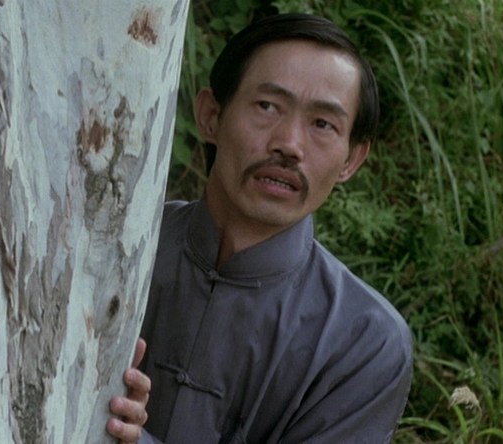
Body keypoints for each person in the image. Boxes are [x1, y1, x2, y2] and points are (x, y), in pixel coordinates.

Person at [106, 12, 413, 443]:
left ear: (351, 160)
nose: (289, 144)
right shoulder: (114, 242)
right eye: (268, 106)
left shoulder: (366, 341)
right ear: (211, 116)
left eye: (323, 124)